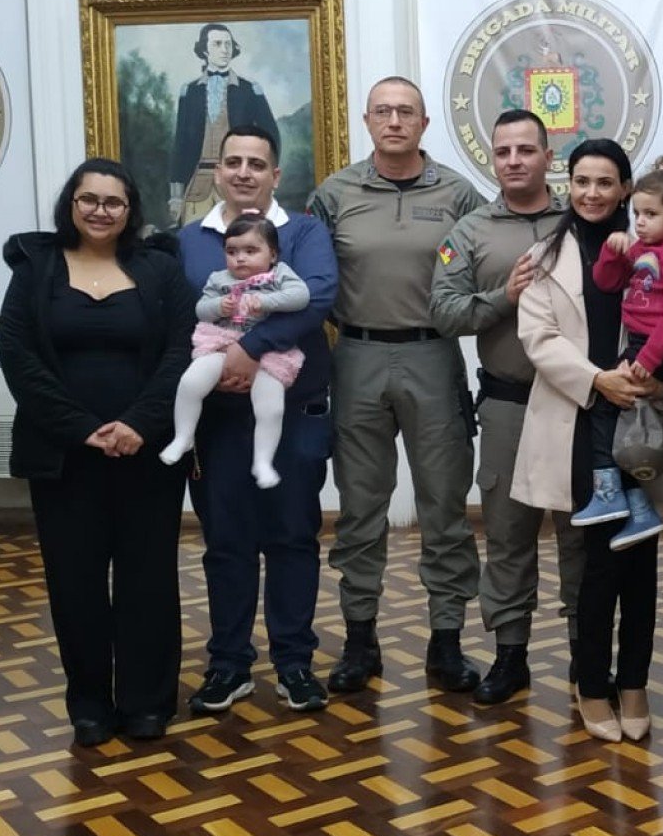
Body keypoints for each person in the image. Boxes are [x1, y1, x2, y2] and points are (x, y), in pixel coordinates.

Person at [0, 160, 195, 745]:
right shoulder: (34, 269)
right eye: (89, 199)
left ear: (130, 210)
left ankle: (147, 703)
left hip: (148, 452)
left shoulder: (161, 269)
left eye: (114, 201)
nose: (100, 211)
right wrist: (83, 427)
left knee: (148, 579)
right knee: (74, 582)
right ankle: (88, 703)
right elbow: (20, 358)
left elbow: (182, 352)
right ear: (71, 204)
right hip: (63, 456)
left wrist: (138, 423)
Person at [514, 138, 663, 743]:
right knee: (595, 564)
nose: (592, 193)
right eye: (582, 181)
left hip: (642, 417)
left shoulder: (655, 246)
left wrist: (651, 384)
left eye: (605, 182)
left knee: (641, 559)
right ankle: (592, 683)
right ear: (569, 185)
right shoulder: (546, 253)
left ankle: (635, 682)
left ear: (625, 189)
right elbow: (538, 338)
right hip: (580, 418)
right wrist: (599, 380)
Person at [310, 77, 484, 696]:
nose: (393, 121)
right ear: (366, 120)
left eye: (404, 111)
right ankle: (360, 643)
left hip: (433, 357)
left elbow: (485, 267)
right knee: (360, 507)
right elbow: (310, 275)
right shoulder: (335, 193)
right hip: (355, 356)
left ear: (424, 123)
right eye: (382, 111)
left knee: (445, 506)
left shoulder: (459, 195)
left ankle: (447, 643)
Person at [175, 124, 338, 716]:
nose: (245, 172)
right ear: (217, 172)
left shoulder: (306, 232)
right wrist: (221, 368)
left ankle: (295, 662)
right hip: (219, 419)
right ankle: (228, 664)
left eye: (257, 164)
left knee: (293, 537)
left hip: (293, 410)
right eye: (234, 162)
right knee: (226, 542)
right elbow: (180, 314)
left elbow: (318, 296)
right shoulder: (189, 241)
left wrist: (251, 348)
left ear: (276, 175)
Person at [429, 108, 583, 707]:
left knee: (580, 538)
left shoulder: (582, 221)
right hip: (508, 406)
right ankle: (510, 655)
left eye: (526, 150)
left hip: (577, 406)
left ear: (549, 157)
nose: (514, 161)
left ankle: (583, 653)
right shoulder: (470, 233)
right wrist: (505, 296)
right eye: (503, 152)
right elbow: (444, 313)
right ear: (491, 159)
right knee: (509, 536)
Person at [574, 158, 663, 547]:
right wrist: (614, 254)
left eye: (651, 214)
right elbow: (606, 281)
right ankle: (637, 506)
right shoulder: (645, 248)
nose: (641, 222)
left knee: (604, 403)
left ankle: (610, 492)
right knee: (626, 426)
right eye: (636, 213)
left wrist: (648, 360)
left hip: (654, 349)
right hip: (638, 344)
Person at [162, 214, 310, 488]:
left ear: (273, 254)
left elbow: (301, 296)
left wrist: (266, 302)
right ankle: (183, 436)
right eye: (232, 251)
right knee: (191, 381)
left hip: (269, 352)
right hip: (222, 341)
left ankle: (263, 461)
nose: (240, 258)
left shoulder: (279, 274)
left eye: (250, 251)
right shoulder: (219, 278)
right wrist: (219, 307)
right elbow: (201, 310)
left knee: (271, 407)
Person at [171, 25, 274, 227]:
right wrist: (175, 195)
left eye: (228, 44)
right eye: (217, 44)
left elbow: (271, 137)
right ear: (204, 50)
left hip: (239, 184)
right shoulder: (189, 91)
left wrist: (265, 181)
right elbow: (180, 145)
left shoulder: (250, 90)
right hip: (198, 185)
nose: (225, 49)